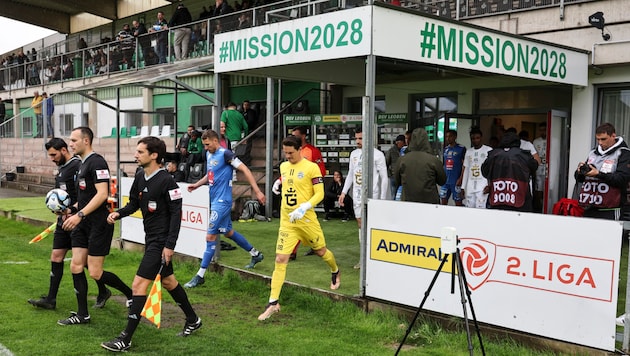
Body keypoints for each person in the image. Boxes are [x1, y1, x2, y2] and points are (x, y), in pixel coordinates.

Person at [101, 137, 202, 352]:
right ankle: (193, 320)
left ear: (154, 155)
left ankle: (125, 339)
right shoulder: (139, 176)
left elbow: (177, 215)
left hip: (160, 243)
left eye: (140, 151)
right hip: (151, 240)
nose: (136, 155)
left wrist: (169, 245)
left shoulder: (168, 181)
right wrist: (118, 213)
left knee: (138, 285)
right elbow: (134, 204)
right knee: (168, 282)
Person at [257, 135, 340, 321]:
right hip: (288, 221)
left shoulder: (312, 168)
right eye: (285, 153)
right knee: (280, 258)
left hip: (307, 220)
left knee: (321, 251)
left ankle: (335, 270)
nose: (287, 156)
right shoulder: (284, 166)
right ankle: (273, 302)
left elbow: (319, 194)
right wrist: (279, 182)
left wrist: (304, 207)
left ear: (300, 150)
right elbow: (287, 178)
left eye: (291, 153)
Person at [58, 127, 133, 326]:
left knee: (95, 272)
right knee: (75, 265)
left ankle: (130, 294)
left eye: (74, 140)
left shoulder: (97, 161)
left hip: (98, 224)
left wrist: (80, 214)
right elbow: (85, 198)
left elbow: (102, 194)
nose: (71, 144)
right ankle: (82, 314)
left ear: (86, 141)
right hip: (82, 223)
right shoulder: (82, 165)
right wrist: (69, 209)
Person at [28, 138, 111, 310]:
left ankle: (107, 292)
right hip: (65, 219)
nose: (52, 158)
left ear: (63, 150)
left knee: (86, 264)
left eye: (54, 154)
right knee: (57, 256)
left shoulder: (79, 165)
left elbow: (87, 195)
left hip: (78, 221)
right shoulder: (64, 168)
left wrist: (75, 213)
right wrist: (61, 209)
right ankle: (51, 299)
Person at [184, 129, 265, 288]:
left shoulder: (226, 154)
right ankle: (255, 254)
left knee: (210, 237)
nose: (206, 148)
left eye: (207, 145)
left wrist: (257, 191)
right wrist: (197, 184)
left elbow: (245, 170)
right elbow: (211, 174)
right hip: (214, 200)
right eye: (204, 145)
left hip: (222, 202)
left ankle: (200, 276)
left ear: (216, 141)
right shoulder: (209, 154)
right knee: (228, 232)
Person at [338, 128, 388, 269]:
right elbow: (350, 174)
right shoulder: (354, 154)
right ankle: (364, 258)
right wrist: (343, 192)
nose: (358, 141)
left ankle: (375, 257)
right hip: (357, 196)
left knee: (372, 225)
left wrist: (382, 199)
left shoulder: (377, 155)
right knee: (360, 224)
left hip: (373, 197)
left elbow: (384, 178)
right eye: (356, 138)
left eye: (361, 138)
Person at [575, 122, 630, 220]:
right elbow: (580, 179)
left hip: (610, 208)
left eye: (603, 139)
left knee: (610, 235)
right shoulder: (593, 152)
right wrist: (579, 172)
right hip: (589, 206)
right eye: (598, 139)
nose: (600, 142)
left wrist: (599, 174)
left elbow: (622, 179)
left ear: (613, 136)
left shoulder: (624, 153)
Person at [287, 126, 326, 258]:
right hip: (294, 188)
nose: (293, 137)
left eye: (296, 135)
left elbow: (321, 170)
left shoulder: (312, 151)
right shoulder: (291, 152)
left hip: (308, 190)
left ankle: (293, 251)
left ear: (303, 136)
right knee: (304, 218)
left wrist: (314, 183)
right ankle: (315, 244)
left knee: (299, 217)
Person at [481, 131, 539, 212]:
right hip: (519, 200)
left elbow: (484, 171)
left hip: (497, 200)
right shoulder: (524, 155)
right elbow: (534, 166)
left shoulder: (493, 154)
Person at [393, 128, 446, 204]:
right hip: (429, 202)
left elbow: (397, 181)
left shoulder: (402, 160)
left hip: (408, 201)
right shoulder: (434, 160)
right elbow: (442, 181)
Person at [461, 127, 492, 208]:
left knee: (481, 211)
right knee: (469, 211)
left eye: (477, 138)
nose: (475, 140)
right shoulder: (468, 152)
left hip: (482, 187)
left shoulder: (488, 151)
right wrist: (463, 187)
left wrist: (490, 185)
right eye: (473, 138)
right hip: (470, 187)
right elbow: (466, 169)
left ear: (481, 138)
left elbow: (491, 170)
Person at [440, 129, 466, 206]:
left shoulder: (461, 149)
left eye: (450, 136)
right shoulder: (445, 149)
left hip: (456, 181)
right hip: (445, 181)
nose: (448, 138)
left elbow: (465, 165)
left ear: (455, 137)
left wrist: (461, 179)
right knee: (443, 201)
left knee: (458, 203)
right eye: (447, 136)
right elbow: (443, 164)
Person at [532, 122, 547, 213]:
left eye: (544, 130)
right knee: (538, 189)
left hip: (548, 167)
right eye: (541, 130)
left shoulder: (553, 139)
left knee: (549, 188)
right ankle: (538, 208)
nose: (543, 132)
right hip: (539, 167)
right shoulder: (536, 141)